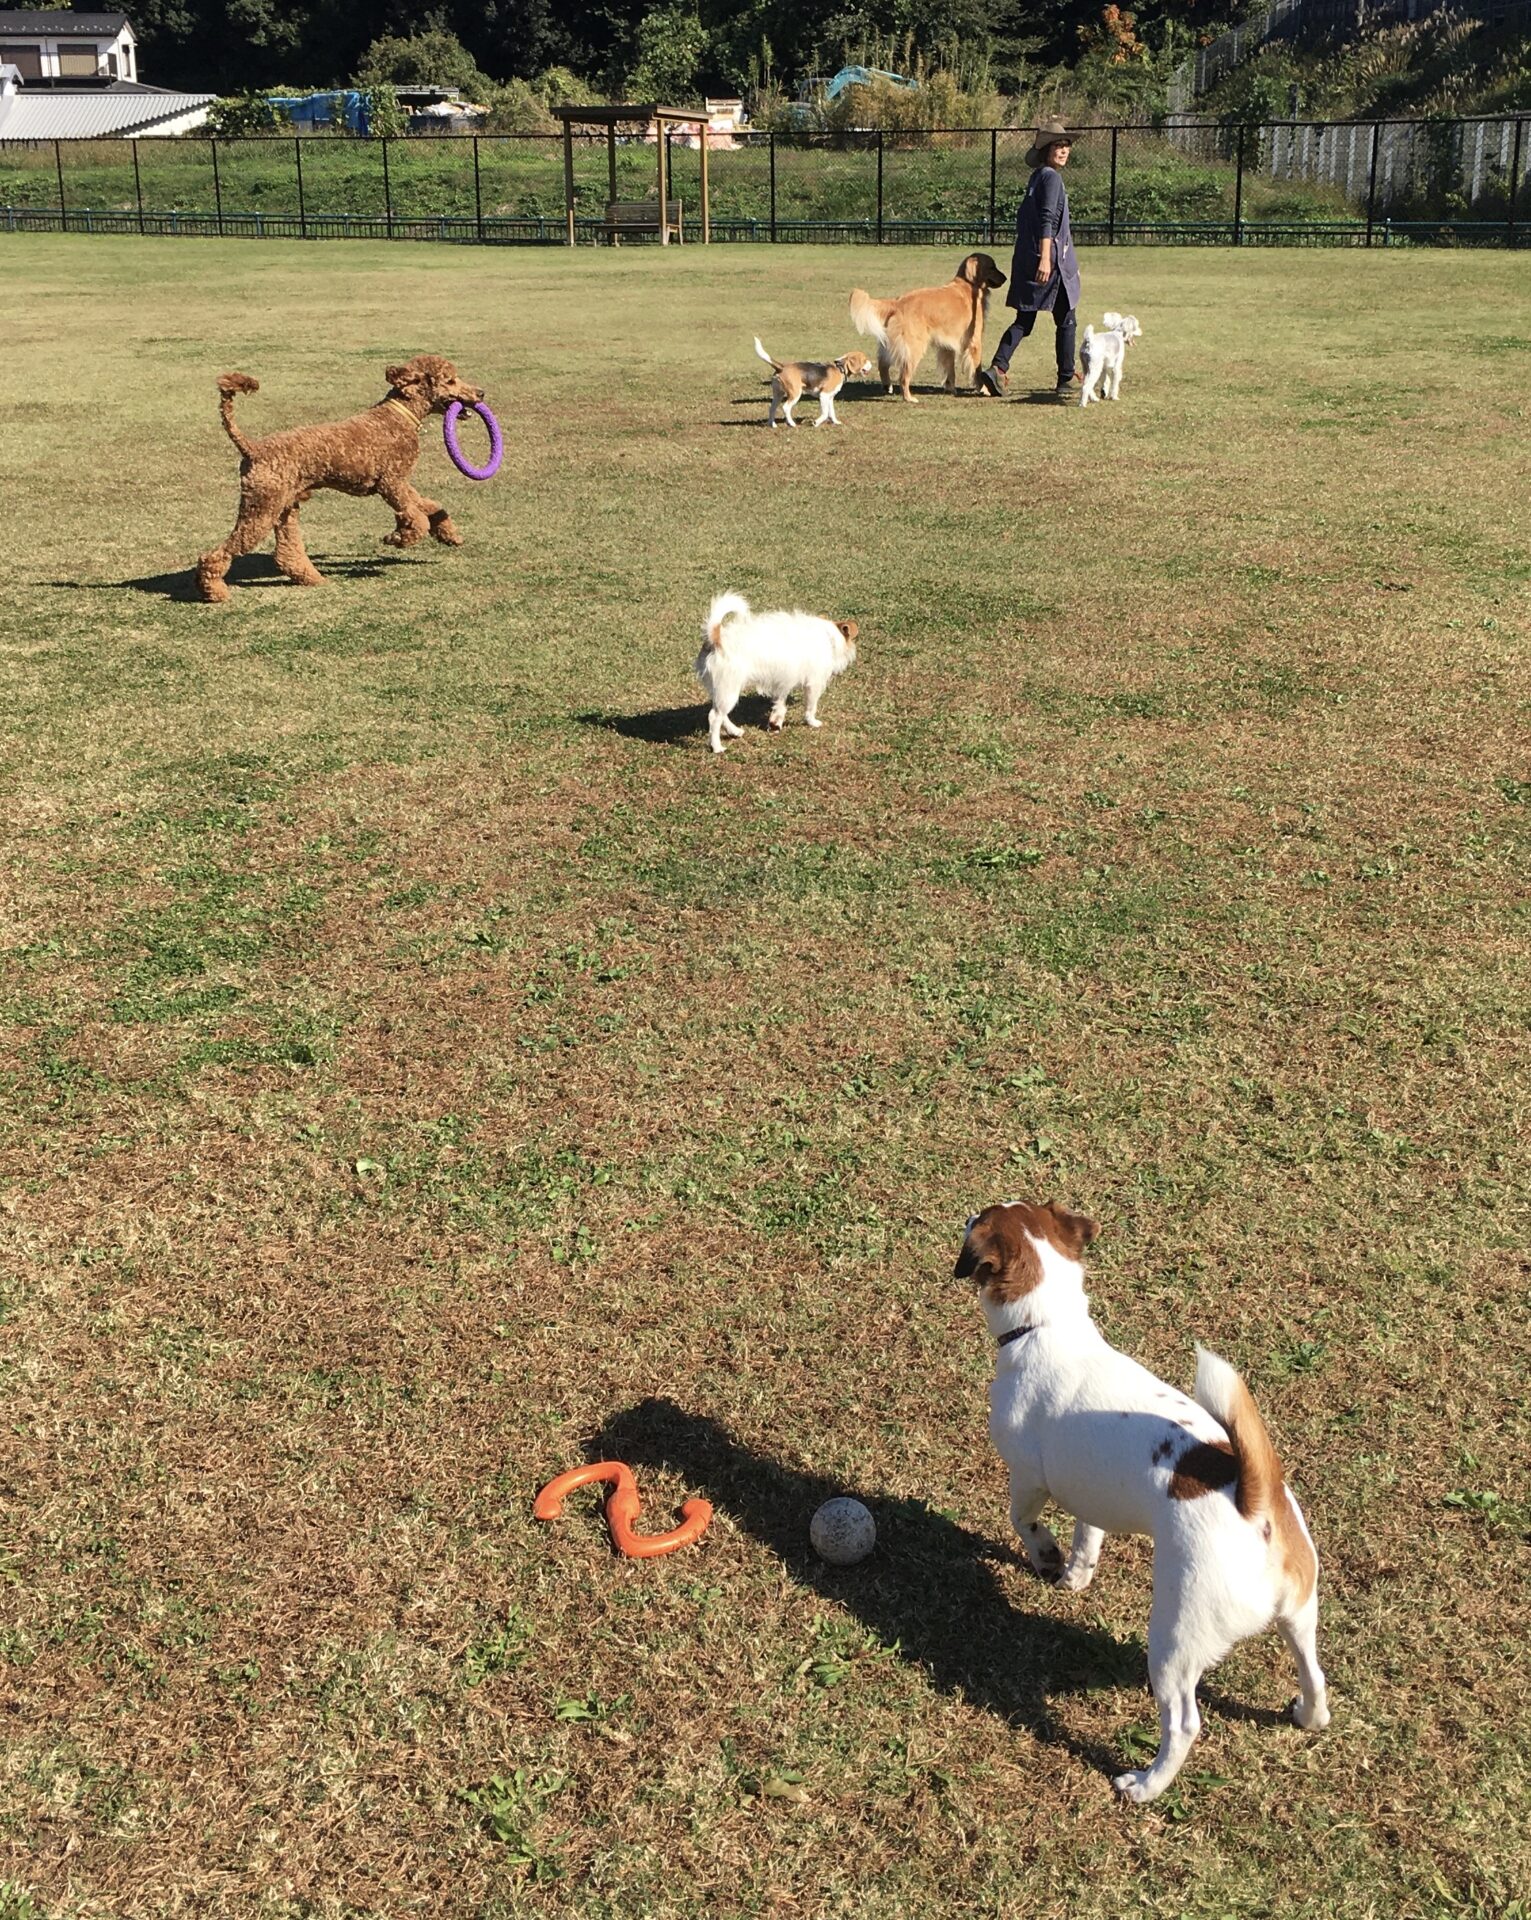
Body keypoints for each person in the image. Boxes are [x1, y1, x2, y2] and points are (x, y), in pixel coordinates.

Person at [977, 119, 1081, 399]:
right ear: (1046, 150)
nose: (1064, 150)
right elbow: (1047, 219)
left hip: (1028, 256)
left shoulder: (1037, 177)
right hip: (1049, 260)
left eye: (1066, 145)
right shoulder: (1051, 178)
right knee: (1066, 317)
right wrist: (1046, 259)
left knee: (1025, 319)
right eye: (1058, 146)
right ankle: (1066, 377)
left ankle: (998, 368)